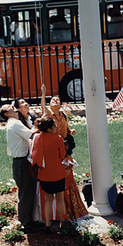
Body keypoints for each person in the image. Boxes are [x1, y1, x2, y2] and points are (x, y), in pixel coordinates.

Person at [40, 85, 89, 222]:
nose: (55, 100)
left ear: (61, 104)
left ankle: (72, 211)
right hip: (55, 151)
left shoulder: (63, 115)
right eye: (53, 99)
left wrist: (70, 130)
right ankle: (62, 215)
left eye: (58, 99)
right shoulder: (48, 114)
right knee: (62, 183)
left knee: (69, 179)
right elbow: (43, 107)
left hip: (65, 149)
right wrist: (44, 93)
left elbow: (66, 130)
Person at [0, 104, 38, 233]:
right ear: (6, 114)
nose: (12, 105)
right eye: (8, 107)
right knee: (26, 194)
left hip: (21, 162)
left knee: (27, 192)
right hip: (22, 163)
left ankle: (28, 221)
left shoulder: (14, 123)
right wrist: (39, 124)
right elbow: (32, 134)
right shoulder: (15, 124)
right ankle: (26, 225)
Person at [30, 115, 67, 234]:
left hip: (44, 175)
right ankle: (62, 223)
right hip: (57, 173)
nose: (56, 127)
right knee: (60, 199)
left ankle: (47, 224)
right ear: (50, 128)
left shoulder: (37, 138)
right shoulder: (58, 139)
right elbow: (62, 155)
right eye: (54, 125)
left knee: (48, 199)